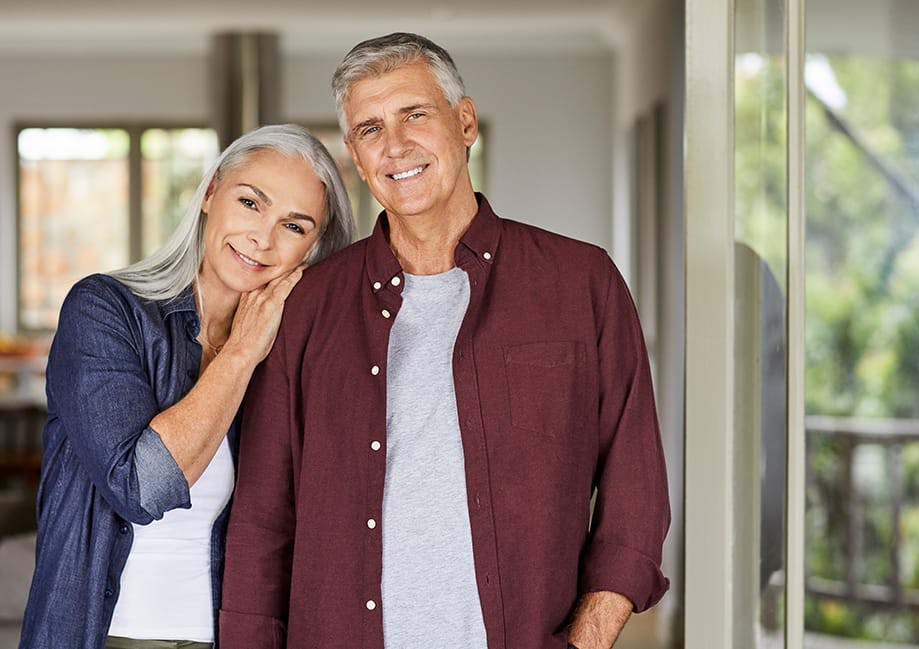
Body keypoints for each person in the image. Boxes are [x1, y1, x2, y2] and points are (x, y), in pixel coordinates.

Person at [219, 33, 670, 649]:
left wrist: (587, 640)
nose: (396, 145)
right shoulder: (307, 305)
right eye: (370, 129)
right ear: (354, 152)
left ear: (464, 122)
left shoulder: (580, 282)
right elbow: (262, 524)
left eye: (415, 114)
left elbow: (635, 491)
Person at [19, 124, 354, 649]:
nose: (262, 238)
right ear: (211, 191)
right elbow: (141, 487)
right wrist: (242, 351)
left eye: (294, 226)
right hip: (104, 633)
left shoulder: (291, 358)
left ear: (313, 249)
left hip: (234, 635)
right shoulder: (106, 311)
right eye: (250, 202)